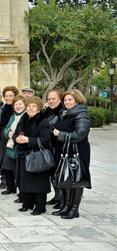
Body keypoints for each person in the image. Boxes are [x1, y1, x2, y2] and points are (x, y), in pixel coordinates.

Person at [52, 89, 91, 219]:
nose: (67, 102)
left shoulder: (81, 114)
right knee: (67, 177)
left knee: (77, 178)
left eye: (70, 99)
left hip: (78, 151)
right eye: (65, 100)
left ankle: (74, 209)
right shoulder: (66, 114)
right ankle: (66, 206)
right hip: (66, 150)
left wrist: (60, 134)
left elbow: (79, 134)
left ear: (77, 100)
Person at [13, 96, 52, 215]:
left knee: (37, 183)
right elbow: (15, 134)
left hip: (37, 156)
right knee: (23, 181)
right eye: (29, 106)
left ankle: (40, 206)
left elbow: (46, 139)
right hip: (23, 154)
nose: (30, 108)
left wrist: (28, 140)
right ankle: (27, 204)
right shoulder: (23, 119)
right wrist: (17, 139)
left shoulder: (43, 121)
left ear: (39, 109)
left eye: (33, 106)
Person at [43, 89, 64, 208]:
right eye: (49, 99)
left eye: (53, 99)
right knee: (53, 173)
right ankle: (57, 196)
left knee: (59, 173)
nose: (50, 101)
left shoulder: (63, 112)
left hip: (59, 147)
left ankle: (62, 198)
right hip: (50, 147)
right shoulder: (48, 112)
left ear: (60, 99)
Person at [2, 95, 26, 196]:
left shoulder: (26, 116)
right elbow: (6, 129)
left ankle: (21, 192)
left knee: (19, 172)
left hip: (20, 148)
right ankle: (10, 188)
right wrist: (8, 133)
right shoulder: (13, 116)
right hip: (10, 147)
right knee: (7, 168)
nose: (18, 106)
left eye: (20, 104)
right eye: (16, 104)